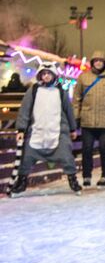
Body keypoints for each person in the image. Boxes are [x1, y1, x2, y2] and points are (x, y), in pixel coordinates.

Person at [8, 62, 81, 197]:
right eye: (44, 74)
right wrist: (21, 129)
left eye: (49, 74)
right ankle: (22, 182)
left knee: (66, 156)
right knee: (27, 157)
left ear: (54, 75)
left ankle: (73, 181)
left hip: (58, 132)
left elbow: (68, 110)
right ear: (40, 75)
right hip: (37, 131)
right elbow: (25, 110)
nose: (46, 76)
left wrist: (72, 129)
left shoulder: (60, 91)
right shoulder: (34, 90)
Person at [72, 54, 105, 189]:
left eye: (101, 61)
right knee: (87, 149)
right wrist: (76, 117)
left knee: (104, 148)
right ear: (92, 62)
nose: (98, 63)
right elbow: (76, 98)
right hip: (87, 120)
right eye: (96, 61)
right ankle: (86, 176)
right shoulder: (83, 77)